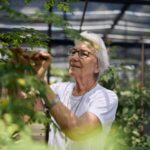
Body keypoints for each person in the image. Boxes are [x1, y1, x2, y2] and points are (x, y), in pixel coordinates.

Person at [34, 31, 118, 150]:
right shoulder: (58, 89)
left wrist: (42, 85)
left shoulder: (106, 97)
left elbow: (77, 131)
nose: (73, 58)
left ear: (97, 66)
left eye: (84, 53)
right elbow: (36, 120)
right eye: (73, 52)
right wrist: (32, 77)